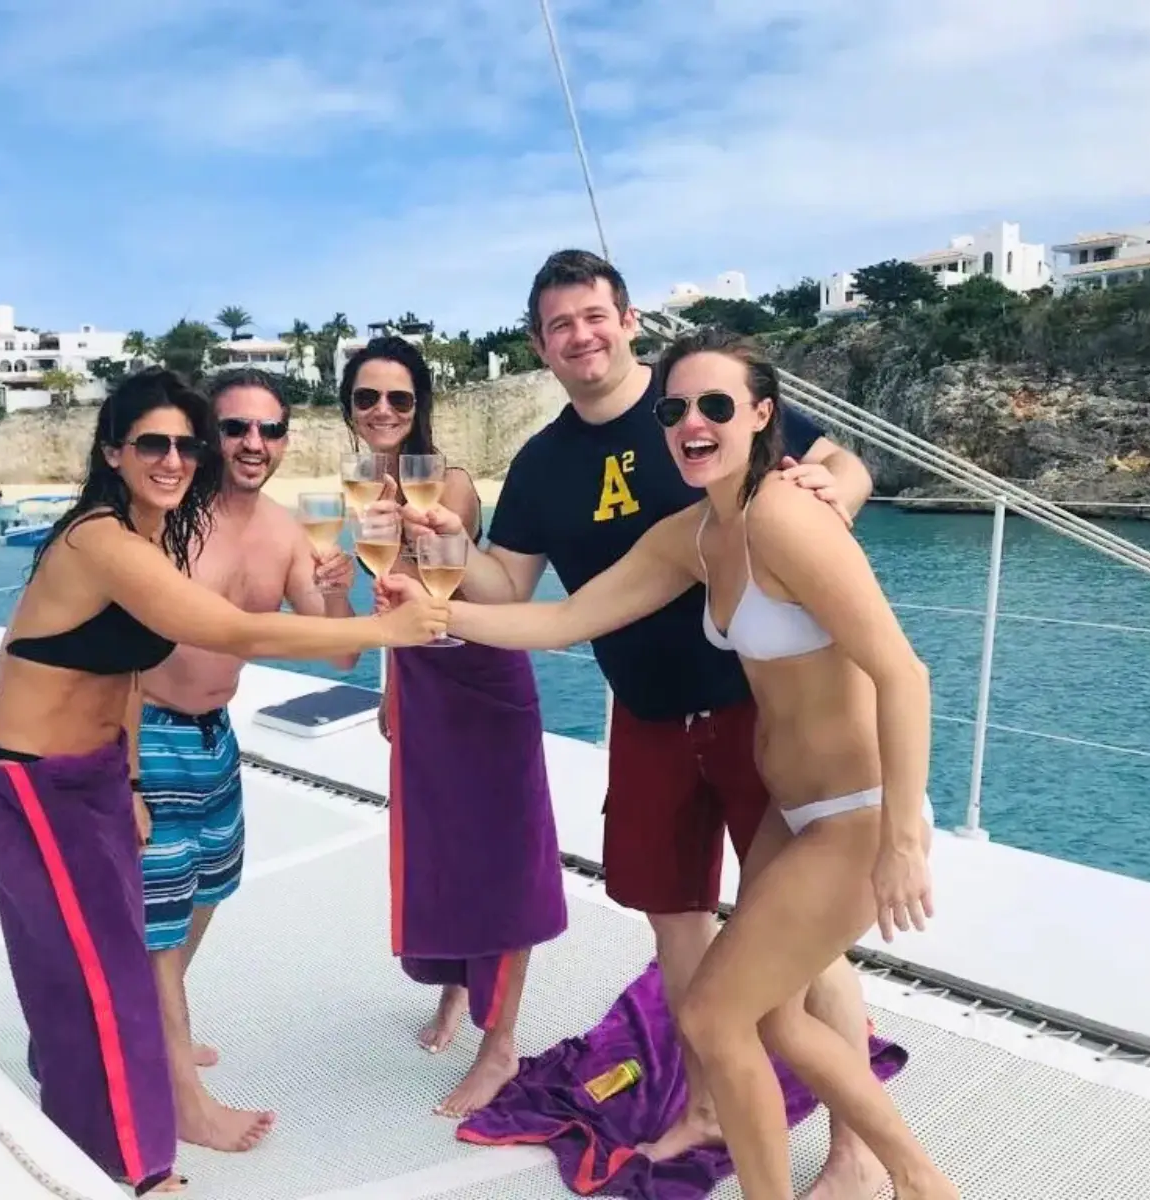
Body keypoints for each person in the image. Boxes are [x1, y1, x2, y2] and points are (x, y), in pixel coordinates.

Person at [388, 327, 956, 1200]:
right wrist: (433, 614)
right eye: (676, 408)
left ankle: (878, 1175)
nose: (694, 421)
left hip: (854, 813)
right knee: (768, 1017)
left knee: (714, 1013)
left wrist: (903, 841)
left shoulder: (785, 515)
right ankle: (920, 1176)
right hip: (790, 812)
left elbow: (903, 672)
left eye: (717, 406)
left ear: (764, 416)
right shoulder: (696, 535)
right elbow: (560, 621)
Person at [0, 368, 448, 1196]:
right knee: (116, 973)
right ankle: (142, 1170)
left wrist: (128, 778)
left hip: (94, 773)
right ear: (113, 451)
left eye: (184, 444)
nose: (177, 458)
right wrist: (391, 625)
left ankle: (74, 1080)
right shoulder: (102, 540)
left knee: (79, 963)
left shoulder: (152, 533)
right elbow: (221, 626)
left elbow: (123, 676)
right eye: (156, 442)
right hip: (34, 784)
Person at [128, 367, 358, 1152]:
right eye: (235, 429)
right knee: (158, 915)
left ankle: (152, 1027)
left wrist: (337, 589)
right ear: (206, 436)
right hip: (147, 726)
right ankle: (182, 1095)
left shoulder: (290, 531)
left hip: (214, 737)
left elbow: (342, 658)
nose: (254, 444)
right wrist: (121, 770)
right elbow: (117, 650)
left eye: (271, 429)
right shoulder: (165, 519)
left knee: (205, 892)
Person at [349, 335, 568, 1118]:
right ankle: (453, 992)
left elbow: (451, 581)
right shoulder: (359, 487)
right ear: (350, 407)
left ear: (420, 407)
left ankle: (499, 1044)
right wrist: (389, 685)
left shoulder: (449, 484)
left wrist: (423, 525)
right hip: (421, 677)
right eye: (368, 397)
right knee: (438, 851)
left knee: (500, 861)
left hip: (481, 679)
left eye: (399, 398)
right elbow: (393, 598)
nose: (382, 411)